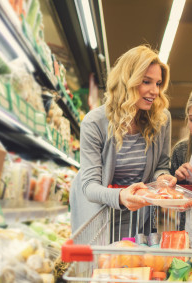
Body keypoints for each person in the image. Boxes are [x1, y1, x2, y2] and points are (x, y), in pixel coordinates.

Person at [70, 45, 177, 238]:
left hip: (138, 216)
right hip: (99, 214)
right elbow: (90, 186)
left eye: (158, 83)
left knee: (133, 264)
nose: (155, 91)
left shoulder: (161, 119)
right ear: (127, 81)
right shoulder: (95, 122)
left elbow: (161, 165)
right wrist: (121, 197)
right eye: (146, 82)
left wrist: (162, 179)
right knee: (102, 267)